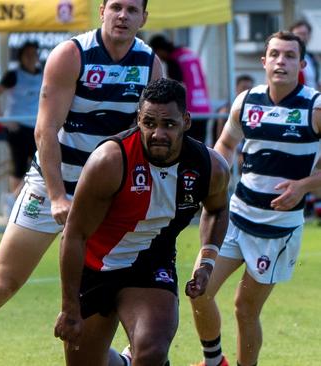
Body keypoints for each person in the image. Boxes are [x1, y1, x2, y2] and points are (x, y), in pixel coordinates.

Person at [0, 1, 162, 365]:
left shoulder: (150, 64)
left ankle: (129, 357)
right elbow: (46, 129)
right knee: (1, 284)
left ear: (144, 18)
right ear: (101, 11)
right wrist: (57, 196)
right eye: (116, 7)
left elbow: (146, 135)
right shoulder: (71, 55)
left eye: (132, 10)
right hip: (52, 186)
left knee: (107, 295)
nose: (123, 16)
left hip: (107, 195)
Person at [53, 78, 230, 366]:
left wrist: (207, 261)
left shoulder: (210, 167)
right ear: (139, 119)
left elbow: (217, 209)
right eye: (149, 123)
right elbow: (74, 235)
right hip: (95, 265)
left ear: (185, 121)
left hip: (150, 263)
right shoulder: (109, 161)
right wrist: (69, 306)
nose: (158, 133)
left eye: (168, 125)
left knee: (151, 352)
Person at [190, 31, 321, 366]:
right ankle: (214, 360)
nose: (281, 61)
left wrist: (304, 185)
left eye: (290, 56)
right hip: (235, 219)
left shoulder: (314, 108)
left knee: (245, 309)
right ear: (264, 61)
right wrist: (213, 181)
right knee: (199, 290)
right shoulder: (247, 102)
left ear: (302, 64)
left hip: (278, 231)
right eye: (275, 54)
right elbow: (225, 146)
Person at [0, 40, 43, 196]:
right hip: (17, 126)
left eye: (34, 54)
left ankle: (22, 199)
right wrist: (1, 119)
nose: (31, 57)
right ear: (21, 57)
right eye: (27, 54)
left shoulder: (43, 74)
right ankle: (14, 201)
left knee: (38, 166)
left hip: (37, 126)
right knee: (18, 166)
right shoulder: (13, 75)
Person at [149, 34, 212, 144]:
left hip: (188, 109)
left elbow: (176, 87)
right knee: (200, 147)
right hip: (203, 107)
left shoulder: (173, 59)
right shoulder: (190, 54)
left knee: (185, 149)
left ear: (159, 50)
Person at [290, 20, 319, 90]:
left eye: (305, 34)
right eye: (299, 33)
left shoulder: (312, 58)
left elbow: (317, 83)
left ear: (309, 36)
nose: (302, 37)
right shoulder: (285, 57)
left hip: (311, 98)